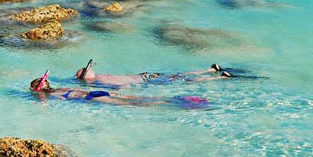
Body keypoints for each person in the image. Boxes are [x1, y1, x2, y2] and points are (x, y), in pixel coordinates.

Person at [29, 74, 209, 108]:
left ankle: (179, 104)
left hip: (92, 99)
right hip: (97, 92)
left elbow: (48, 104)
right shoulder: (61, 88)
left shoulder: (52, 95)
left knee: (136, 104)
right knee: (135, 98)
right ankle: (180, 99)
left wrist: (39, 97)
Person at [74, 59, 231, 87]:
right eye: (87, 69)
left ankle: (217, 78)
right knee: (180, 75)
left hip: (148, 81)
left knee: (184, 80)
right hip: (146, 75)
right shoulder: (102, 78)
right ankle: (211, 70)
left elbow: (123, 86)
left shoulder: (100, 81)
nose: (89, 68)